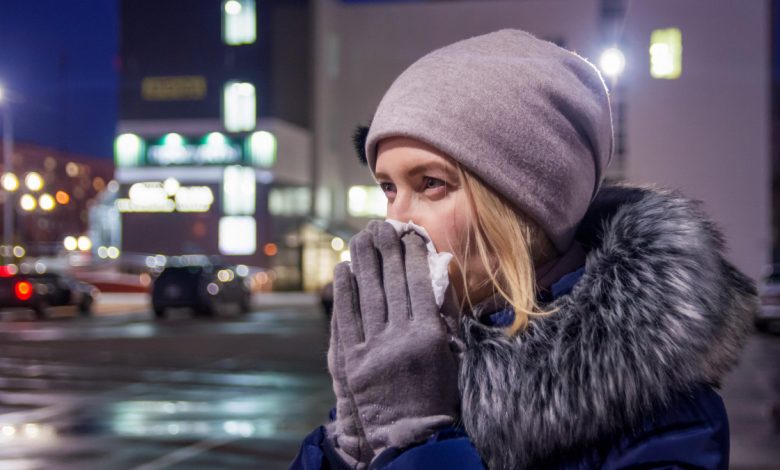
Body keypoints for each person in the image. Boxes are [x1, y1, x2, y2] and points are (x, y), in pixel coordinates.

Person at [291, 29, 757, 469]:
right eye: (389, 188)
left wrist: (413, 443)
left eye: (431, 183)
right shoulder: (414, 356)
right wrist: (348, 447)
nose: (397, 221)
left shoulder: (664, 409)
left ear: (524, 204)